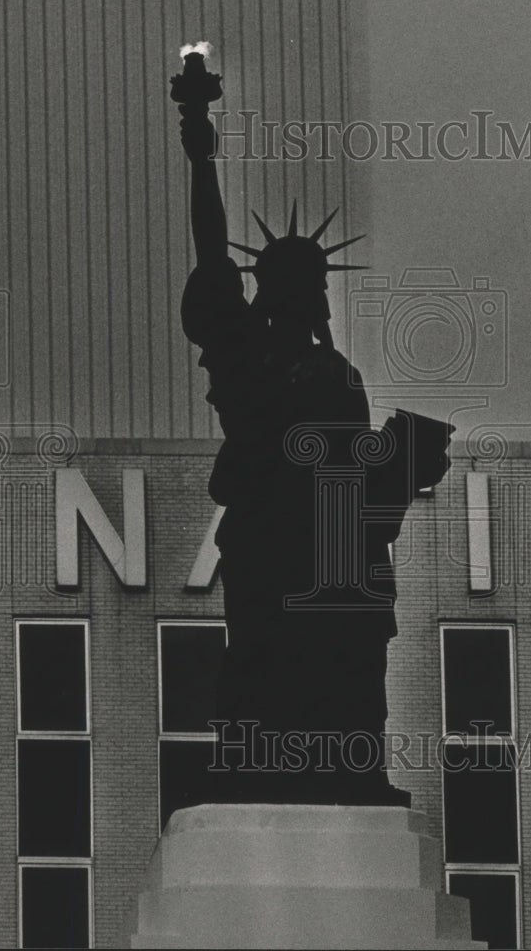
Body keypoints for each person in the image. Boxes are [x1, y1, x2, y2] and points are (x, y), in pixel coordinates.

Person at [179, 102, 452, 805]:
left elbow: (354, 469)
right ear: (270, 292)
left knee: (350, 657)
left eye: (314, 284)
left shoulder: (340, 375)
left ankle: (351, 769)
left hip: (333, 544)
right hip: (270, 533)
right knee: (262, 652)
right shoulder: (244, 354)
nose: (308, 296)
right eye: (295, 284)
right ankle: (254, 766)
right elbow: (212, 254)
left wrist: (405, 457)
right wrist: (201, 158)